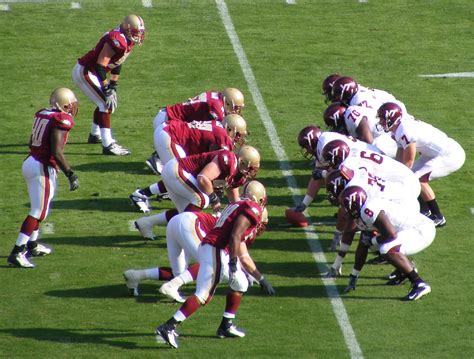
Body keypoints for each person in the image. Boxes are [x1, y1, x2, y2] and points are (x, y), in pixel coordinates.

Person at [155, 181, 274, 349]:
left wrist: (258, 277)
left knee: (240, 283)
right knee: (203, 295)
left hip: (212, 247)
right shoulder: (252, 208)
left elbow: (238, 243)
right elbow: (235, 236)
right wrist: (233, 263)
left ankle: (226, 325)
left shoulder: (238, 203)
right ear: (258, 198)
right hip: (216, 249)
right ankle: (168, 326)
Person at [123, 208, 268, 302]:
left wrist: (248, 274)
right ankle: (172, 286)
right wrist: (261, 279)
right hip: (190, 224)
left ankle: (135, 276)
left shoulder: (235, 215)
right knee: (211, 264)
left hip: (178, 222)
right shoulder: (242, 224)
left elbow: (241, 257)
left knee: (179, 273)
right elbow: (244, 257)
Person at [7, 88, 80, 268]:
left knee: (40, 209)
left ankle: (32, 245)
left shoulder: (43, 113)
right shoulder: (61, 119)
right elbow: (57, 152)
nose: (73, 109)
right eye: (70, 105)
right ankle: (17, 251)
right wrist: (70, 174)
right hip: (41, 165)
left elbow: (32, 141)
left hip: (31, 160)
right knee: (38, 212)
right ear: (63, 105)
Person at [324, 147, 421, 277]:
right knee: (372, 238)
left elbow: (350, 230)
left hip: (402, 204)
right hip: (397, 196)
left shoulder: (355, 193)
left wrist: (337, 263)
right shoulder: (354, 180)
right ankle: (401, 266)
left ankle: (408, 269)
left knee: (380, 242)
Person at [132, 145, 261, 241]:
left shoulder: (239, 176)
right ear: (243, 162)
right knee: (202, 200)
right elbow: (203, 178)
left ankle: (146, 223)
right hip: (176, 170)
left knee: (186, 214)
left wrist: (240, 217)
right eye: (251, 168)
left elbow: (235, 202)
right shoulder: (228, 160)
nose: (251, 172)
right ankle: (186, 235)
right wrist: (214, 199)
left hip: (179, 176)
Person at [339, 185, 435, 301]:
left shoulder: (368, 211)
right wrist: (354, 275)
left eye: (345, 206)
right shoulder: (362, 212)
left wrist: (373, 241)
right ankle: (403, 271)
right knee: (374, 243)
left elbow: (391, 235)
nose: (344, 211)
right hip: (410, 229)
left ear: (354, 204)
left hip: (421, 230)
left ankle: (419, 284)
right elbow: (363, 244)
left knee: (387, 249)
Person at [377, 102, 465, 227]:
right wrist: (393, 170)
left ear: (392, 118)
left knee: (415, 179)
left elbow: (409, 159)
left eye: (382, 119)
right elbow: (400, 153)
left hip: (449, 155)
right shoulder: (397, 129)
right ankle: (425, 212)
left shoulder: (404, 130)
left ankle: (438, 217)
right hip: (434, 154)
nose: (380, 122)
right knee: (411, 176)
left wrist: (399, 175)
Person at [293, 126, 380, 251]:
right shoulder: (323, 146)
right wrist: (304, 204)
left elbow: (338, 174)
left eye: (306, 147)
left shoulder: (325, 146)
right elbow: (317, 177)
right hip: (361, 164)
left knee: (351, 200)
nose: (306, 151)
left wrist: (338, 234)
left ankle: (374, 231)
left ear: (311, 142)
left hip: (370, 167)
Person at [72, 14, 145, 156]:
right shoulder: (117, 40)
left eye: (140, 32)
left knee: (103, 102)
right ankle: (108, 144)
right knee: (105, 103)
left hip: (94, 72)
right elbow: (100, 65)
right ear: (127, 29)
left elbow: (118, 62)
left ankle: (94, 135)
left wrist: (113, 84)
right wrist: (106, 88)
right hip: (86, 71)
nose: (139, 35)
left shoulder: (126, 40)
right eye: (136, 32)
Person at [146, 89, 245, 174]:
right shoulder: (216, 108)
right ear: (226, 102)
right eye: (235, 108)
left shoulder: (215, 97)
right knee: (182, 168)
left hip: (167, 118)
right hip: (168, 121)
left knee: (194, 138)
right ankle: (159, 164)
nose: (235, 112)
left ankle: (160, 157)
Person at [323, 102, 397, 158]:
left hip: (390, 141)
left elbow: (368, 141)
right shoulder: (349, 115)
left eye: (333, 126)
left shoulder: (350, 115)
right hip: (388, 139)